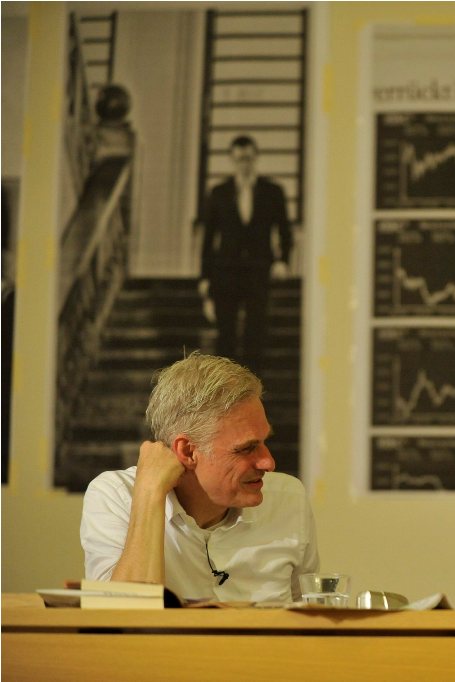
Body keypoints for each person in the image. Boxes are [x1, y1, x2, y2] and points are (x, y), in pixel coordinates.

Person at [80, 352, 318, 603]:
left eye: (264, 441)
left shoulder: (288, 499)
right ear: (187, 452)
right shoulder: (116, 496)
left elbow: (308, 614)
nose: (268, 462)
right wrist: (150, 493)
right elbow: (120, 616)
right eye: (246, 448)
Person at [198, 135, 292, 376]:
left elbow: (284, 230)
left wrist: (283, 260)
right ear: (232, 160)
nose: (244, 164)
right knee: (226, 331)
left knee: (256, 330)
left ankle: (252, 383)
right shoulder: (219, 193)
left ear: (256, 158)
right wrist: (205, 277)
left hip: (258, 269)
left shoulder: (273, 192)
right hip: (225, 271)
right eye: (240, 159)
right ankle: (225, 384)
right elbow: (208, 240)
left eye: (249, 158)